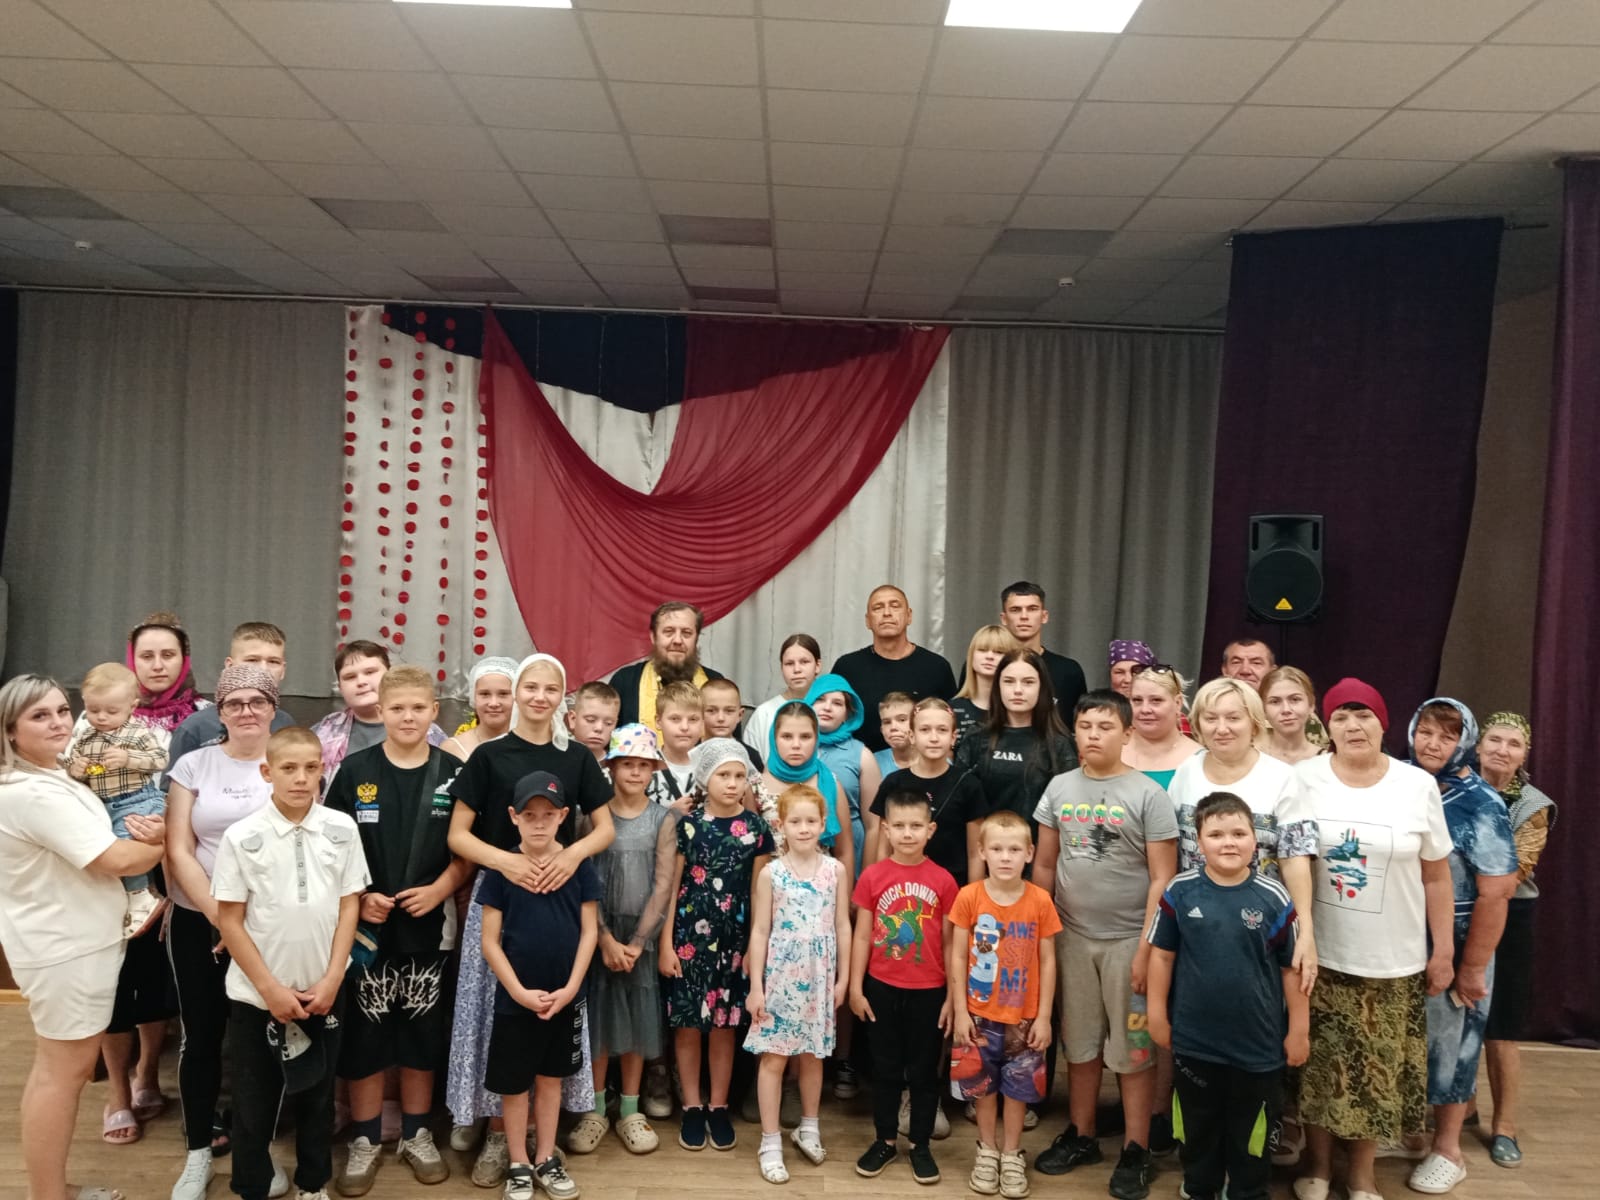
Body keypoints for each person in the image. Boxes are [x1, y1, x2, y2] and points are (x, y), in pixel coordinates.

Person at [443, 654, 614, 1188]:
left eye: (550, 688)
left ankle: (543, 1144)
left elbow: (604, 828)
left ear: (562, 697)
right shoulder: (488, 755)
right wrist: (506, 861)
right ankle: (499, 1136)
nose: (540, 696)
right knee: (498, 1023)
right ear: (517, 691)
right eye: (531, 686)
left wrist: (572, 856)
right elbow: (458, 834)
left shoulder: (576, 758)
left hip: (560, 899)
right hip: (503, 898)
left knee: (545, 1030)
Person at [1, 673, 166, 1200]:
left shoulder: (53, 776)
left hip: (75, 943)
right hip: (64, 951)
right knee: (62, 1075)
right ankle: (48, 1195)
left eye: (60, 710)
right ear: (9, 730)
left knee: (59, 1071)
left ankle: (52, 1189)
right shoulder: (29, 794)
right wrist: (167, 840)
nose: (57, 722)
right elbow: (117, 859)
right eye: (39, 715)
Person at [1292, 679, 1454, 1200]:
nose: (1353, 726)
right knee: (1319, 1066)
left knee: (1375, 1071)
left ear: (1384, 723)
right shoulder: (1304, 778)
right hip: (1320, 952)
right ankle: (1317, 1165)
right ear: (1327, 727)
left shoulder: (1416, 785)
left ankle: (1361, 1174)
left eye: (1363, 715)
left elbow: (1437, 876)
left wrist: (1444, 950)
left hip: (1393, 957)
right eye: (1340, 716)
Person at [323, 667, 470, 1194]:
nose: (408, 717)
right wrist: (361, 898)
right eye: (398, 708)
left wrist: (441, 888)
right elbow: (331, 848)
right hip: (366, 933)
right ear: (380, 711)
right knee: (365, 1036)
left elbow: (467, 850)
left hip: (431, 931)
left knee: (421, 1035)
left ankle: (416, 1133)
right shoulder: (355, 770)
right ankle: (365, 1139)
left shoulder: (454, 773)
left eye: (418, 708)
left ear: (435, 711)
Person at [1033, 689, 1179, 1200]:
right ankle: (1083, 1134)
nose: (1093, 735)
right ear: (1074, 731)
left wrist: (1146, 949)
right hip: (1072, 938)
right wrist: (1041, 934)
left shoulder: (1148, 795)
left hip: (1128, 941)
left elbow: (1162, 878)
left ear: (1127, 733)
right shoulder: (1059, 787)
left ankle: (1136, 1148)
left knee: (1134, 1050)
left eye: (1105, 726)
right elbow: (1045, 865)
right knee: (1080, 1043)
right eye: (1086, 726)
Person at [211, 727, 367, 1200]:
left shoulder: (342, 829)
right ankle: (253, 1186)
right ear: (267, 772)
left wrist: (333, 977)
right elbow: (230, 920)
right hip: (258, 996)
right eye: (289, 768)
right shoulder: (242, 836)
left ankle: (313, 1184)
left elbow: (349, 905)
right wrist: (269, 990)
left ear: (323, 770)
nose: (301, 778)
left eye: (311, 768)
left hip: (323, 992)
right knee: (253, 1102)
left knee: (318, 1097)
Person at [1146, 792, 1310, 1200]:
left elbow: (1291, 970)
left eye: (1239, 833)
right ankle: (1199, 1187)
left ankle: (1247, 1191)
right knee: (1197, 1129)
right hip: (1194, 1043)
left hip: (1258, 1047)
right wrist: (1156, 1014)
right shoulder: (1180, 892)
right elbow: (1162, 957)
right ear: (1198, 843)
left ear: (1256, 840)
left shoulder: (1274, 897)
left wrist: (1299, 1030)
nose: (1229, 842)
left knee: (1251, 1135)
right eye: (1216, 834)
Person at [163, 664, 285, 1200]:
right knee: (202, 1035)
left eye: (257, 701)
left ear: (273, 707)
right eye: (234, 703)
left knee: (260, 1040)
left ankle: (259, 1153)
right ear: (220, 711)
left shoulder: (288, 760)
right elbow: (178, 848)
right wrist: (221, 917)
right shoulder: (194, 765)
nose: (246, 711)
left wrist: (247, 922)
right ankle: (197, 1153)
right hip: (200, 920)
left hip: (269, 923)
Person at [1405, 699, 1518, 1195]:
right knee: (1413, 1041)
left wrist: (1472, 966)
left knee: (1453, 1045)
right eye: (1425, 732)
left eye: (1446, 736)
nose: (1432, 744)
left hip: (1457, 939)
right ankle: (1410, 1132)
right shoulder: (1400, 783)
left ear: (1464, 742)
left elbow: (1497, 892)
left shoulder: (1481, 802)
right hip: (1400, 937)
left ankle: (1448, 1148)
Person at [478, 770, 601, 1200]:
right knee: (514, 1085)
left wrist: (571, 988)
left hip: (565, 998)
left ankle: (546, 1157)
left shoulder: (579, 867)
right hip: (515, 1001)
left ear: (563, 816)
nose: (538, 823)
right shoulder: (501, 871)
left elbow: (589, 931)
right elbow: (489, 941)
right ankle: (518, 1162)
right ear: (513, 816)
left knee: (551, 1080)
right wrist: (516, 991)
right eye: (529, 815)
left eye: (548, 815)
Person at [565, 723, 674, 1158]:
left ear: (653, 770)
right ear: (610, 767)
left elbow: (664, 883)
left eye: (643, 765)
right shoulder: (591, 817)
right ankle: (595, 1109)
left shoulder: (663, 818)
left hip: (640, 939)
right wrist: (605, 939)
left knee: (637, 1021)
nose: (635, 772)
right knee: (599, 1022)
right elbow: (581, 876)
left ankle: (630, 1108)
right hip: (597, 933)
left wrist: (639, 941)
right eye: (626, 763)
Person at [660, 739, 775, 1152]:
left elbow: (760, 893)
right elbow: (671, 887)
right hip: (688, 941)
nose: (732, 783)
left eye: (739, 775)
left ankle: (719, 1105)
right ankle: (692, 1105)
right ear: (705, 779)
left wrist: (755, 949)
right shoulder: (687, 826)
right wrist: (665, 944)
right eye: (723, 775)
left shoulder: (758, 830)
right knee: (689, 1025)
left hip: (735, 942)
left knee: (725, 1026)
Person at [949, 810, 1061, 1199]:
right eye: (996, 849)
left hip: (1025, 1019)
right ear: (982, 851)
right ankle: (987, 1150)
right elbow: (957, 957)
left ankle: (1012, 1153)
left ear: (1029, 853)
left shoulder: (1040, 901)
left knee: (1018, 1091)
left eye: (1014, 850)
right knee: (982, 1088)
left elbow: (1048, 961)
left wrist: (1044, 1017)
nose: (1005, 857)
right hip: (978, 1016)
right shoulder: (969, 896)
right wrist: (960, 1011)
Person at [849, 788, 959, 1186]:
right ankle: (884, 1140)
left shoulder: (944, 881)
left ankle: (920, 1145)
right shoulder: (873, 877)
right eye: (899, 826)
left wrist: (953, 997)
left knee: (924, 1072)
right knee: (885, 1070)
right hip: (881, 987)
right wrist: (856, 988)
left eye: (916, 826)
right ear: (885, 829)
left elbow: (951, 944)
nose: (908, 833)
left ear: (930, 830)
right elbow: (863, 935)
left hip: (930, 990)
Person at [744, 784, 852, 1184]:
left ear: (823, 824)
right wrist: (757, 987)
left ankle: (809, 1126)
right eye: (795, 821)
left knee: (812, 1055)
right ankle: (770, 1140)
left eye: (811, 821)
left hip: (820, 976)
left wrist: (843, 978)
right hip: (781, 977)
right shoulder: (771, 873)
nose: (803, 828)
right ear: (781, 825)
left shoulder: (835, 871)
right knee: (774, 1057)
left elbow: (843, 925)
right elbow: (760, 930)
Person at [1474, 711, 1555, 1169]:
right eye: (1495, 740)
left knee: (1501, 1026)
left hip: (1510, 915)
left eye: (1513, 744)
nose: (1502, 750)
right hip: (1454, 911)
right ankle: (1462, 1107)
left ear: (1525, 754)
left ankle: (1504, 1126)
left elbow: (1514, 871)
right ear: (1478, 745)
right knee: (1454, 1017)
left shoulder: (1533, 805)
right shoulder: (1455, 788)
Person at [63, 663, 167, 940]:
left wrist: (129, 758)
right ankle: (124, 898)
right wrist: (76, 768)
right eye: (94, 710)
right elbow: (77, 769)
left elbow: (160, 759)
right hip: (102, 805)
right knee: (102, 851)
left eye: (111, 711)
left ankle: (141, 894)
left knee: (123, 845)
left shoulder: (136, 733)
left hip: (137, 801)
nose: (101, 717)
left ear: (132, 706)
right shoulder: (85, 737)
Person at [954, 650, 1077, 845]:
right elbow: (961, 804)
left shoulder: (1059, 743)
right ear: (998, 686)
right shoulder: (976, 737)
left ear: (1042, 687)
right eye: (1009, 681)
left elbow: (1066, 812)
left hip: (1038, 853)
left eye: (1028, 682)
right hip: (984, 851)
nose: (1018, 690)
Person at [831, 585, 956, 753]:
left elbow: (951, 724)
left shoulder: (937, 667)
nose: (887, 613)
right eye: (878, 608)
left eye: (895, 606)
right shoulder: (847, 668)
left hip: (922, 765)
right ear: (868, 620)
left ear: (909, 616)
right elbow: (830, 722)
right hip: (860, 765)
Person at [874, 698, 986, 886]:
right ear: (912, 736)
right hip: (902, 889)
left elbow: (975, 854)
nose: (934, 738)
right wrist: (881, 888)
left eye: (942, 730)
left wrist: (972, 897)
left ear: (953, 737)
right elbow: (884, 848)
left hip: (954, 888)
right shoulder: (893, 783)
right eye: (925, 730)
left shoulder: (969, 785)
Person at [311, 640, 447, 784]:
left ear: (389, 676)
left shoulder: (431, 734)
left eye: (370, 672)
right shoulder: (322, 733)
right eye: (350, 677)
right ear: (340, 687)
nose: (361, 682)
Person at [168, 623, 296, 768]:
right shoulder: (194, 728)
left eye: (273, 662)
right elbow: (175, 780)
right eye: (252, 660)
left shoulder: (285, 724)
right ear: (230, 665)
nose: (263, 669)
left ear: (283, 670)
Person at [756, 701, 854, 877]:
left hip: (823, 888)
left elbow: (844, 852)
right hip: (771, 888)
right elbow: (752, 852)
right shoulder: (756, 786)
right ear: (774, 738)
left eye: (805, 736)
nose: (796, 745)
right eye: (787, 736)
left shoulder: (829, 783)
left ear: (816, 739)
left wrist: (845, 894)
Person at [805, 674, 880, 877]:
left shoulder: (862, 755)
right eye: (820, 699)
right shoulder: (794, 748)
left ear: (848, 714)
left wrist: (866, 879)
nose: (827, 707)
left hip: (850, 852)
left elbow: (873, 825)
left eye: (837, 703)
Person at [609, 601, 725, 730]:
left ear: (696, 639)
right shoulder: (625, 681)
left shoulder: (715, 684)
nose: (677, 640)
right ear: (653, 637)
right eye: (669, 632)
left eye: (686, 633)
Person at [990, 581, 1088, 720]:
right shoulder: (988, 666)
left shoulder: (1069, 671)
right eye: (1015, 610)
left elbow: (1081, 723)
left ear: (1044, 616)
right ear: (1004, 618)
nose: (1024, 616)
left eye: (1032, 609)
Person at [124, 610, 209, 744]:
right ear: (131, 660)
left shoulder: (209, 717)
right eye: (147, 656)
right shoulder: (105, 715)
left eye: (168, 655)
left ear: (184, 659)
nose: (157, 666)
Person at [744, 634, 823, 763]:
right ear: (781, 668)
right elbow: (750, 764)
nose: (797, 669)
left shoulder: (828, 711)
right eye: (789, 663)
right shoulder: (764, 713)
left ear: (817, 666)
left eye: (804, 662)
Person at [1123, 664, 1200, 790]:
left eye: (1156, 700)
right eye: (1137, 700)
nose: (1145, 709)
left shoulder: (1199, 760)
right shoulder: (1111, 751)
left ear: (1178, 703)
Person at [951, 626, 1023, 745]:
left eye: (999, 652)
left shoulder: (1019, 711)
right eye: (982, 650)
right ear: (971, 656)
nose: (989, 656)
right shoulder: (952, 710)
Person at [440, 655, 519, 761]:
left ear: (516, 697)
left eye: (503, 694)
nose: (493, 703)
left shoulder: (532, 745)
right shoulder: (452, 749)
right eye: (485, 694)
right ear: (474, 697)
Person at [645, 680, 702, 807]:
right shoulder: (643, 767)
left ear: (703, 722)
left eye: (693, 719)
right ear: (658, 722)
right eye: (675, 719)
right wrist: (670, 814)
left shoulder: (713, 766)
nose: (685, 727)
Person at [1258, 666, 1324, 765]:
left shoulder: (1327, 761)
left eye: (1295, 699)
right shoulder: (1251, 759)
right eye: (1275, 702)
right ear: (1263, 709)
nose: (1286, 710)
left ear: (1311, 705)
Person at [565, 681, 622, 765]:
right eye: (590, 720)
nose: (599, 728)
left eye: (608, 723)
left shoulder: (618, 767)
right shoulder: (555, 760)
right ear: (573, 719)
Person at [874, 691, 917, 779]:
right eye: (887, 722)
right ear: (881, 729)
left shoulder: (937, 760)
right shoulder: (872, 763)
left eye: (902, 720)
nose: (893, 727)